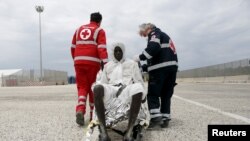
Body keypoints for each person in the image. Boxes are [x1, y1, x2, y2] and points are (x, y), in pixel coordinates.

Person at [93, 42, 149, 141]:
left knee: (138, 88)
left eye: (120, 51)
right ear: (113, 52)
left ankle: (129, 132)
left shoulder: (132, 64)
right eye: (116, 51)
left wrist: (143, 96)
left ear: (123, 51)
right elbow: (103, 82)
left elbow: (139, 81)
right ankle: (104, 133)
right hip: (112, 89)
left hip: (126, 89)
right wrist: (101, 86)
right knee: (97, 88)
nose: (118, 53)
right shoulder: (107, 66)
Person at [134, 23, 178, 128]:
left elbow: (153, 48)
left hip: (160, 69)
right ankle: (165, 118)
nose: (143, 36)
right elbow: (157, 54)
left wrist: (140, 57)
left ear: (148, 28)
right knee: (166, 95)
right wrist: (145, 68)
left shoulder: (154, 33)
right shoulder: (164, 35)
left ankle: (155, 119)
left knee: (153, 94)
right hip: (171, 68)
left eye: (142, 33)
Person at [70, 12, 108, 126]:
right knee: (93, 88)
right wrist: (106, 64)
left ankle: (80, 110)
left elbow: (72, 47)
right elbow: (101, 48)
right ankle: (92, 116)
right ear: (99, 22)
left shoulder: (78, 29)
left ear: (90, 19)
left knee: (82, 87)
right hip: (93, 63)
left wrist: (76, 60)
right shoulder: (99, 31)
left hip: (78, 61)